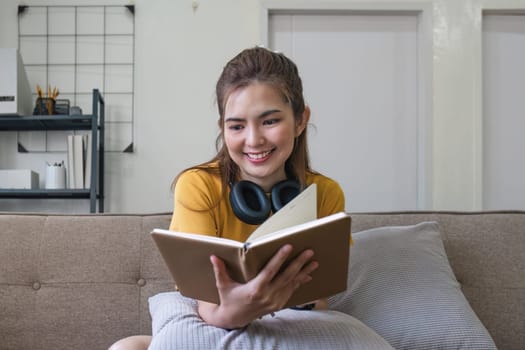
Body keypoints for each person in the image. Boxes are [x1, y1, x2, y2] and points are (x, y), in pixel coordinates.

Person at [109, 46, 346, 350]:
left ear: (301, 120)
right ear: (222, 128)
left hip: (290, 325)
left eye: (270, 121)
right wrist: (237, 311)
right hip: (214, 320)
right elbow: (207, 306)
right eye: (236, 126)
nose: (253, 140)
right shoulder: (198, 186)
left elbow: (318, 302)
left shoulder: (325, 194)